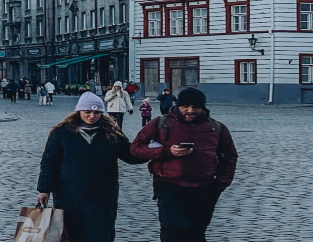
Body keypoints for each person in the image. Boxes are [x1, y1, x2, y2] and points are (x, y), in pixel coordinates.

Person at [129, 87, 237, 242]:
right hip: (169, 185)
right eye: (186, 106)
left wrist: (221, 183)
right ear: (178, 106)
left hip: (204, 187)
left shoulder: (217, 128)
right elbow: (136, 148)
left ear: (203, 108)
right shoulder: (161, 123)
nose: (190, 110)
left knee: (196, 232)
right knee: (172, 229)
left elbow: (230, 156)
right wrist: (166, 152)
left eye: (196, 107)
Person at [36, 92, 137, 242]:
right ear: (79, 112)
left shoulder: (111, 133)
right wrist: (44, 189)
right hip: (69, 194)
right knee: (71, 233)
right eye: (87, 112)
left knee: (101, 233)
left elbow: (130, 154)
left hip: (102, 195)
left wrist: (153, 149)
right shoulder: (62, 133)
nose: (92, 116)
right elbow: (50, 162)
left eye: (96, 112)